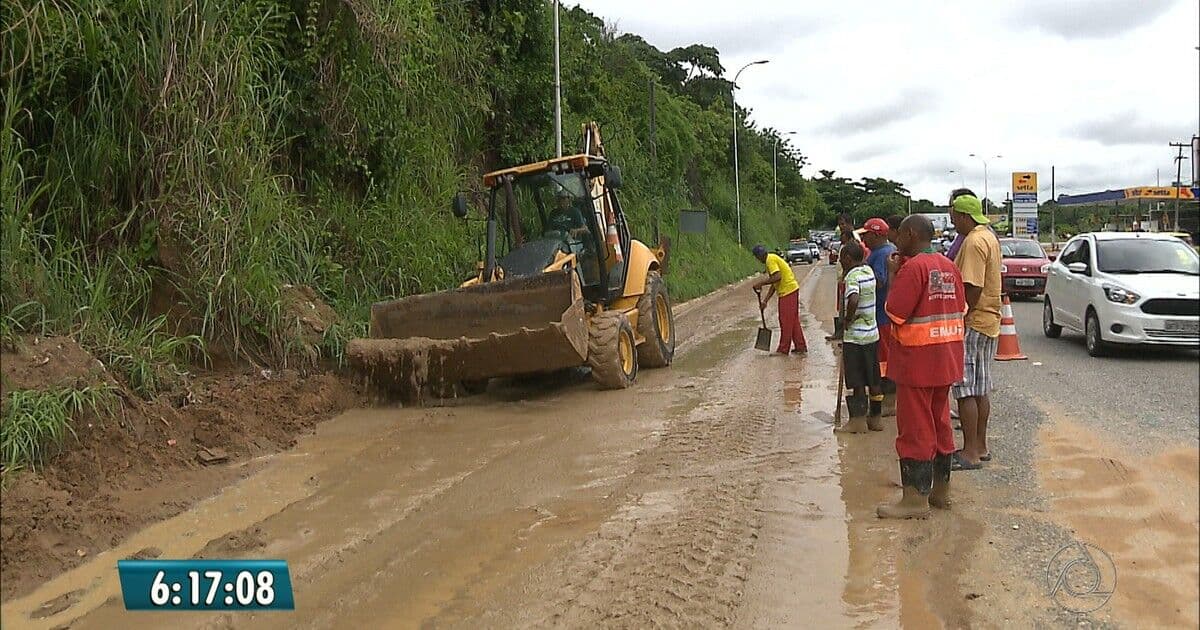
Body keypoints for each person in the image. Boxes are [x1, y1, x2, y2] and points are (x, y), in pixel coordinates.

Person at [878, 214, 966, 519]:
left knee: (915, 428)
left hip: (917, 362)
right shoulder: (949, 266)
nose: (896, 239)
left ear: (912, 234)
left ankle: (914, 500)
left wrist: (892, 275)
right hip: (947, 358)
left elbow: (895, 312)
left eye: (900, 233)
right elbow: (961, 308)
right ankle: (942, 493)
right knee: (940, 423)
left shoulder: (912, 268)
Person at [947, 189, 1002, 471]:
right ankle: (980, 446)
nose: (952, 221)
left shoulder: (973, 242)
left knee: (965, 389)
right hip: (989, 322)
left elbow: (972, 287)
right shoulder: (988, 236)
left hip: (975, 321)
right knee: (980, 388)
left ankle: (969, 452)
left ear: (963, 215)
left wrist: (959, 315)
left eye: (954, 215)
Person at [834, 243, 883, 433]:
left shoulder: (852, 276)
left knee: (858, 381)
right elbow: (877, 285)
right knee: (874, 380)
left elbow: (853, 299)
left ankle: (858, 421)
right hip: (872, 334)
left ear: (847, 258)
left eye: (841, 258)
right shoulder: (868, 270)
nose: (840, 262)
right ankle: (876, 419)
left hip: (856, 337)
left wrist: (847, 320)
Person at [861, 218, 897, 414]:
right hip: (881, 314)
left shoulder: (882, 254)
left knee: (883, 360)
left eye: (866, 234)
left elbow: (880, 281)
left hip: (882, 316)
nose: (864, 238)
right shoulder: (882, 251)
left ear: (875, 235)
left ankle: (888, 402)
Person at [752, 245, 808, 354]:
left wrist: (761, 283)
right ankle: (800, 346)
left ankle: (783, 349)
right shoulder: (771, 258)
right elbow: (775, 283)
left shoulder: (770, 261)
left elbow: (777, 277)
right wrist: (765, 301)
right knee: (793, 321)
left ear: (758, 257)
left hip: (787, 292)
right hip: (791, 290)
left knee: (785, 320)